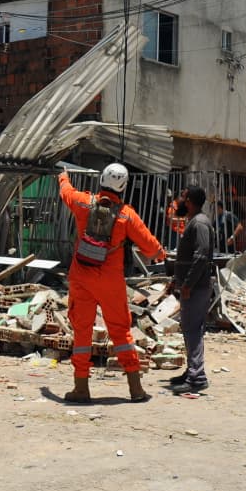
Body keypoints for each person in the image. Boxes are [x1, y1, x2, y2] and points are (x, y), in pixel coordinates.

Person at [58, 164, 167, 403]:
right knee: (120, 330)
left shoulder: (83, 202)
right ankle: (135, 389)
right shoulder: (127, 215)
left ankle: (81, 388)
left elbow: (66, 192)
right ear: (124, 186)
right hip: (111, 281)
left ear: (101, 180)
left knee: (82, 331)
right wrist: (161, 253)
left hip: (81, 277)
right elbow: (151, 247)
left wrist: (63, 177)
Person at [168, 185, 217, 395]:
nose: (179, 201)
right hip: (192, 286)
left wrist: (188, 284)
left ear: (188, 201)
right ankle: (191, 371)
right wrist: (177, 281)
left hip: (196, 287)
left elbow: (201, 255)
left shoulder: (200, 223)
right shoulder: (194, 221)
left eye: (182, 197)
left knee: (193, 330)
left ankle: (197, 378)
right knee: (189, 328)